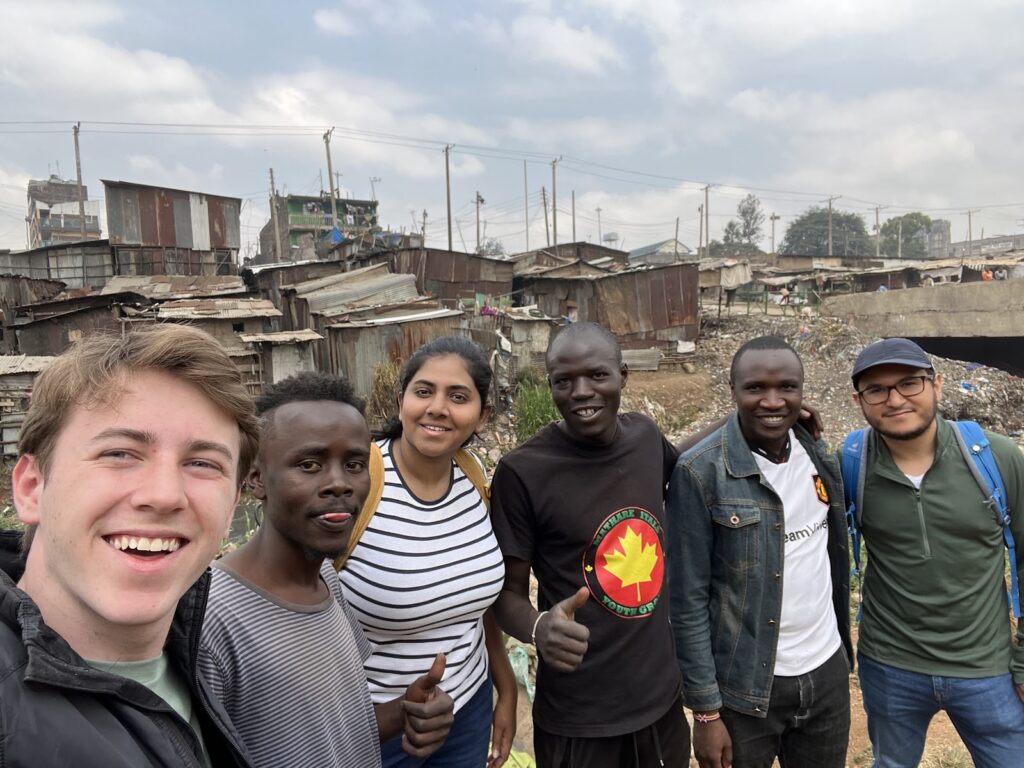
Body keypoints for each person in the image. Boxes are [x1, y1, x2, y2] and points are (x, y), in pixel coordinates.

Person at [0, 324, 260, 767]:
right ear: (31, 487)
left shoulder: (194, 654)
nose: (163, 495)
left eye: (202, 463)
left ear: (234, 501)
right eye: (120, 453)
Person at [199, 372, 457, 768]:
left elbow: (331, 729)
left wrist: (404, 711)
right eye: (308, 464)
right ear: (255, 478)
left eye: (354, 464)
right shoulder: (212, 621)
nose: (340, 484)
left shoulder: (328, 583)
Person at [490, 322, 691, 768]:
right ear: (551, 385)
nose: (581, 391)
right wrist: (539, 628)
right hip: (578, 717)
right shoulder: (522, 472)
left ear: (623, 375)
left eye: (597, 376)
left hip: (660, 701)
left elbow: (688, 466)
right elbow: (506, 595)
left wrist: (743, 421)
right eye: (565, 380)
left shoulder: (645, 438)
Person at [667, 336, 852, 768]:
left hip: (827, 673)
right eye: (755, 389)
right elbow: (687, 600)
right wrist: (707, 710)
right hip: (744, 688)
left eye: (787, 387)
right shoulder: (700, 474)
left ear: (802, 392)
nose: (772, 401)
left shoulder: (816, 453)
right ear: (733, 391)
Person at [339, 337, 517, 768]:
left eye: (458, 397)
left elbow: (476, 604)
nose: (438, 407)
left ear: (482, 417)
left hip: (467, 708)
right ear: (401, 403)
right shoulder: (356, 484)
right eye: (424, 392)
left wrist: (505, 687)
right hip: (373, 722)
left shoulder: (474, 480)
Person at [845, 338, 1024, 768]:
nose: (895, 399)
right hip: (890, 667)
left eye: (910, 383)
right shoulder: (851, 464)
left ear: (937, 385)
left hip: (988, 668)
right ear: (859, 401)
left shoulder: (997, 458)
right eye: (878, 389)